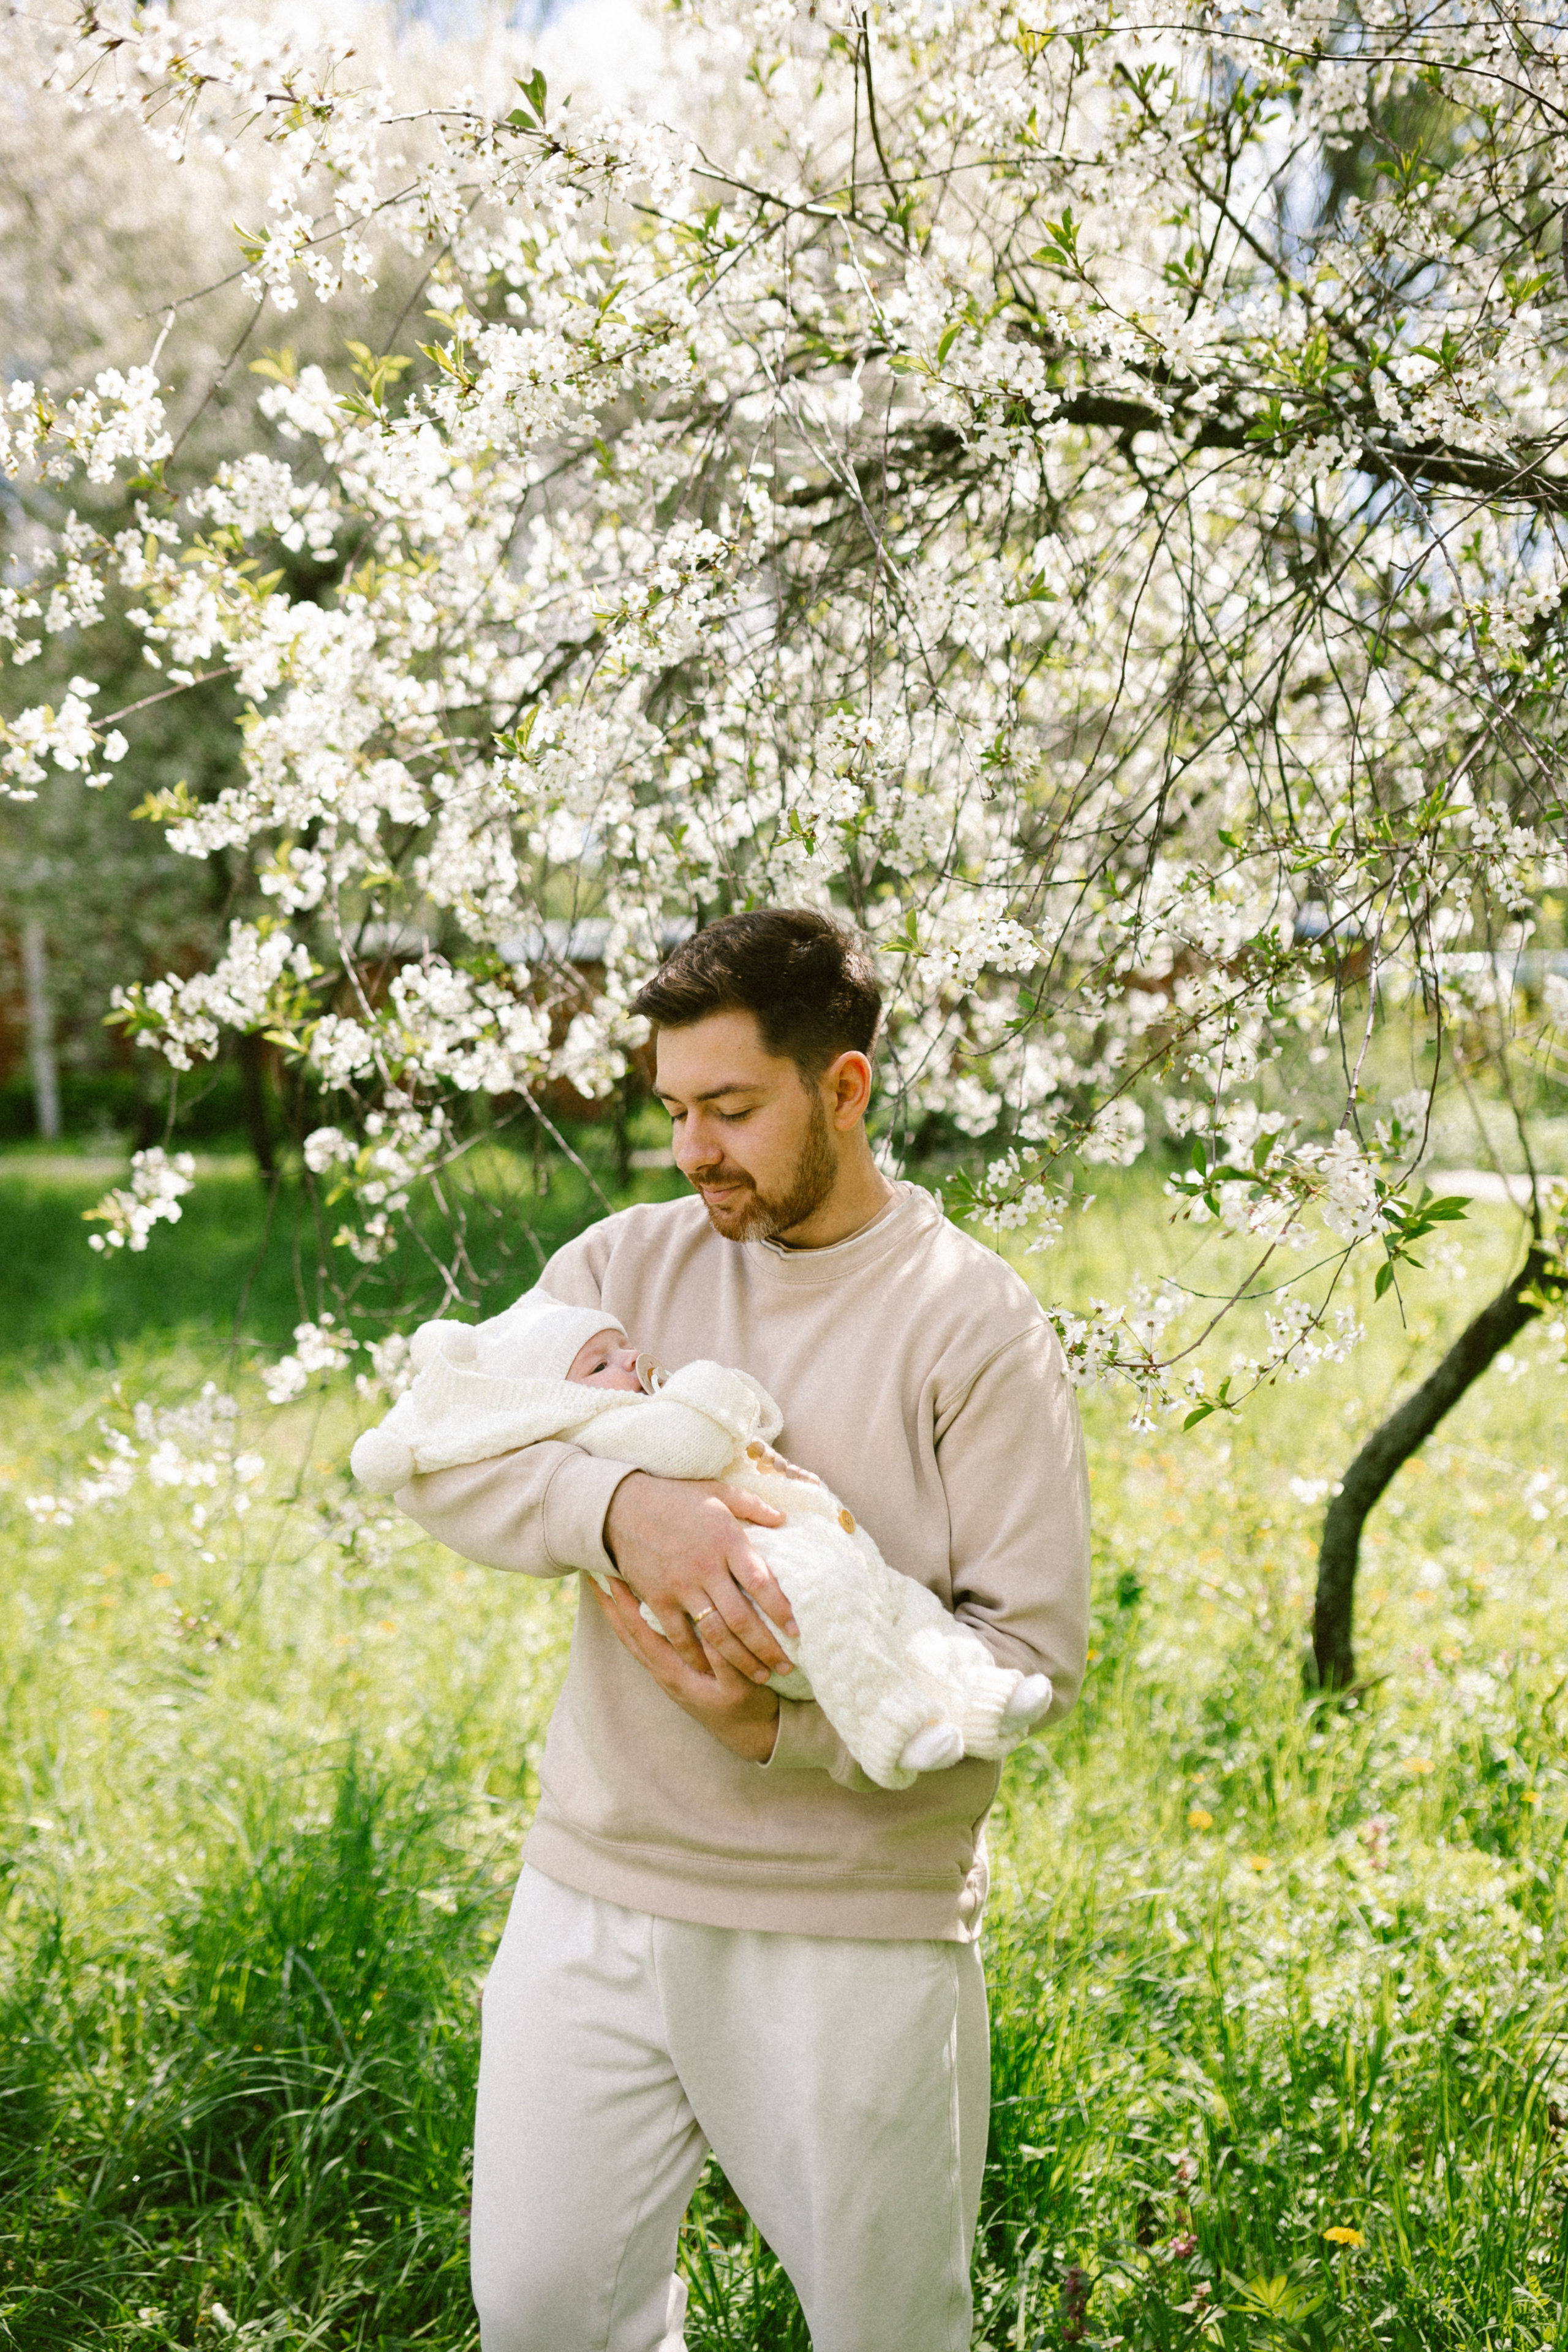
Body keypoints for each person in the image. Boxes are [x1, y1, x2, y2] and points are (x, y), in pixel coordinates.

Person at [394, 907, 1091, 2352]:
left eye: (731, 1108)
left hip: (850, 1919)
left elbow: (1025, 1658)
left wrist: (781, 1729)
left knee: (883, 2329)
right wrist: (621, 1510)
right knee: (536, 2313)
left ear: (843, 1087)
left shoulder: (971, 1324)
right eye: (672, 1110)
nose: (693, 1150)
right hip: (593, 1885)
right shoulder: (621, 1267)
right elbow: (442, 1442)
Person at [352, 1291, 1056, 1784]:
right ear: (564, 1395)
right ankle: (891, 1724)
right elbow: (687, 1445)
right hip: (771, 1585)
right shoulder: (604, 1416)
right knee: (835, 1606)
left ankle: (977, 1695)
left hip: (822, 1549)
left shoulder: (980, 1321)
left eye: (623, 1350)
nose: (629, 1364)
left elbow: (1041, 1638)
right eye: (600, 1365)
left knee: (902, 1608)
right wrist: (619, 1502)